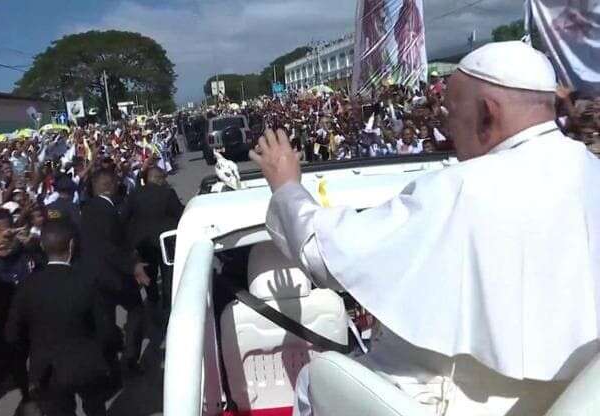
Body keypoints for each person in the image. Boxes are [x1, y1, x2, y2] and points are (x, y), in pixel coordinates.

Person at [250, 41, 600, 415]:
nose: (446, 126)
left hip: (455, 402)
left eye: (451, 112)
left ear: (487, 113)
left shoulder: (461, 187)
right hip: (568, 399)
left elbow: (322, 255)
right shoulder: (592, 170)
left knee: (312, 381)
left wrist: (286, 186)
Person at [5, 220, 114, 416]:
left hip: (47, 370)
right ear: (72, 245)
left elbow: (12, 335)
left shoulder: (27, 286)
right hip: (86, 364)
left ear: (42, 245)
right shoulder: (87, 281)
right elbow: (105, 329)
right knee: (96, 408)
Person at [80, 169, 150, 374]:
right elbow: (108, 246)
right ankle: (130, 358)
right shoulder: (107, 210)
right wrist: (133, 265)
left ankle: (109, 363)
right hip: (115, 275)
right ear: (111, 186)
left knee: (105, 322)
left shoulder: (87, 208)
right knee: (136, 311)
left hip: (94, 277)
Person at [120, 166, 184, 310]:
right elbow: (179, 214)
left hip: (143, 243)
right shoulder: (168, 193)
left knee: (150, 275)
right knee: (168, 275)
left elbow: (124, 218)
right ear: (158, 178)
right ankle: (168, 306)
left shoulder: (134, 195)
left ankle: (153, 301)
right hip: (166, 242)